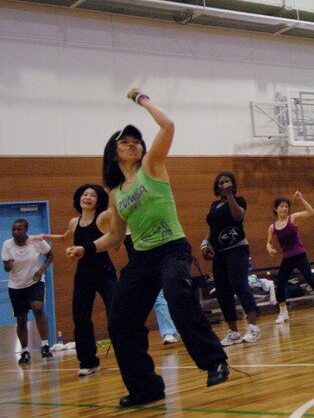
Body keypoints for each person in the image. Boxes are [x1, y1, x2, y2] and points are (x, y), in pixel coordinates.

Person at [67, 89, 228, 408]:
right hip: (141, 258)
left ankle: (214, 361)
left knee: (177, 291)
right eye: (124, 142)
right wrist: (86, 249)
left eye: (136, 141)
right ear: (113, 154)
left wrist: (141, 98)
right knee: (120, 321)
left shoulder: (152, 167)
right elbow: (114, 237)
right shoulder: (114, 194)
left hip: (172, 249)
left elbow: (167, 125)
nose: (132, 144)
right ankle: (147, 387)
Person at [43, 185, 116, 375]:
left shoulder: (103, 217)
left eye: (93, 195)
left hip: (104, 271)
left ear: (98, 201)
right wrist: (43, 237)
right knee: (81, 318)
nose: (88, 197)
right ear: (79, 198)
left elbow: (113, 232)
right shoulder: (74, 222)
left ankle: (127, 353)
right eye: (85, 194)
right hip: (83, 274)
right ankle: (88, 362)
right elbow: (66, 239)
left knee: (115, 313)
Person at [201, 172, 260, 346]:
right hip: (220, 253)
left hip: (237, 249)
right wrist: (205, 244)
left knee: (240, 286)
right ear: (216, 187)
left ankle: (253, 328)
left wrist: (230, 197)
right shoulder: (214, 206)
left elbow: (238, 216)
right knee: (222, 291)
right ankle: (233, 331)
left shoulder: (238, 200)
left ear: (232, 185)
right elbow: (212, 228)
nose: (224, 184)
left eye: (227, 181)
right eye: (220, 183)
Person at [267, 192, 314, 324]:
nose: (285, 208)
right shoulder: (272, 227)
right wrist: (269, 248)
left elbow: (311, 212)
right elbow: (268, 242)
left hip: (299, 255)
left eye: (286, 206)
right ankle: (283, 312)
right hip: (287, 259)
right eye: (282, 206)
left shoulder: (294, 218)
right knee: (280, 285)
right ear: (276, 209)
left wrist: (301, 199)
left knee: (309, 278)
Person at [2, 218, 53, 364]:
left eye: (19, 229)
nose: (16, 232)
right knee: (21, 319)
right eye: (13, 229)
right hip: (16, 285)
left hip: (34, 281)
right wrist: (9, 266)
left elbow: (50, 255)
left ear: (26, 230)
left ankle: (45, 346)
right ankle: (25, 351)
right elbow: (6, 267)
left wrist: (41, 270)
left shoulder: (36, 241)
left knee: (37, 307)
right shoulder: (7, 245)